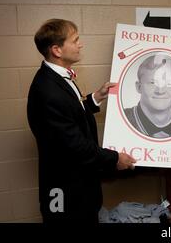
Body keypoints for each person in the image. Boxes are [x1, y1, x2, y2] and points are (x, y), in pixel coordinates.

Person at [27, 19, 136, 223]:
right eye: (75, 40)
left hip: (79, 186)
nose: (80, 44)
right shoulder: (48, 91)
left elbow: (70, 112)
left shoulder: (57, 77)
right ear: (57, 50)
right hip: (65, 191)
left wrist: (96, 97)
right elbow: (74, 147)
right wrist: (115, 159)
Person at [123, 54, 171, 139]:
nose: (160, 91)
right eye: (152, 83)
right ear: (138, 87)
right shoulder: (119, 119)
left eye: (169, 84)